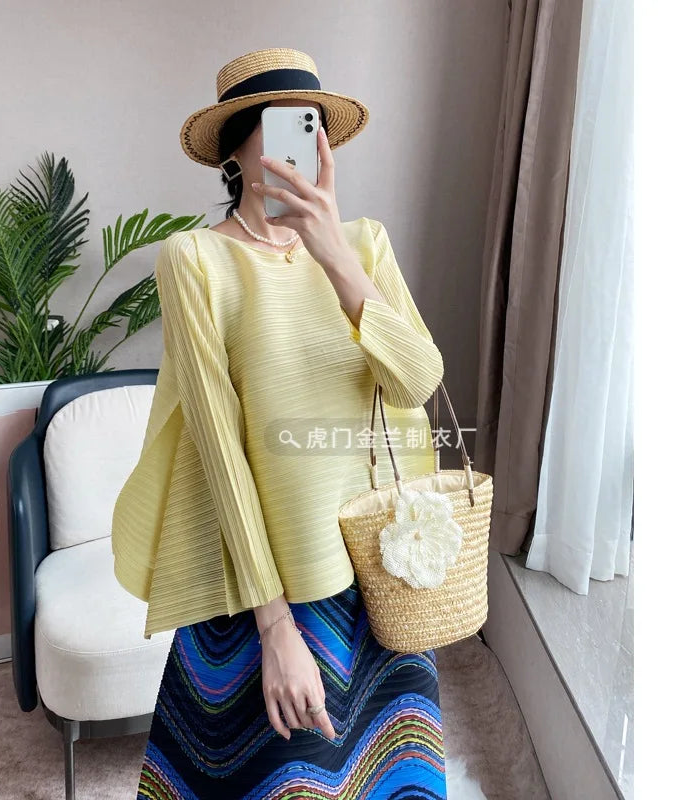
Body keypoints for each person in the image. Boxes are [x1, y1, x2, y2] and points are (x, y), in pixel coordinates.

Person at [111, 47, 448, 799]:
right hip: (266, 577)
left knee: (393, 778)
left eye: (312, 124)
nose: (305, 141)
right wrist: (275, 629)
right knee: (282, 782)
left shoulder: (365, 244)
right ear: (234, 152)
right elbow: (220, 451)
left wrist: (334, 254)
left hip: (378, 565)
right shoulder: (194, 259)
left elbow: (418, 381)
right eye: (282, 124)